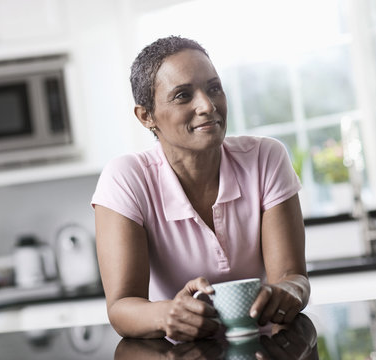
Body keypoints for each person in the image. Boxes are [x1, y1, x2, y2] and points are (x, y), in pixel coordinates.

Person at [91, 35, 310, 341]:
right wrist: (168, 313)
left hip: (260, 346)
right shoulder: (125, 178)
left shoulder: (265, 158)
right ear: (146, 116)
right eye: (182, 95)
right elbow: (121, 308)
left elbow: (293, 278)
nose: (207, 105)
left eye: (214, 88)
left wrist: (289, 291)